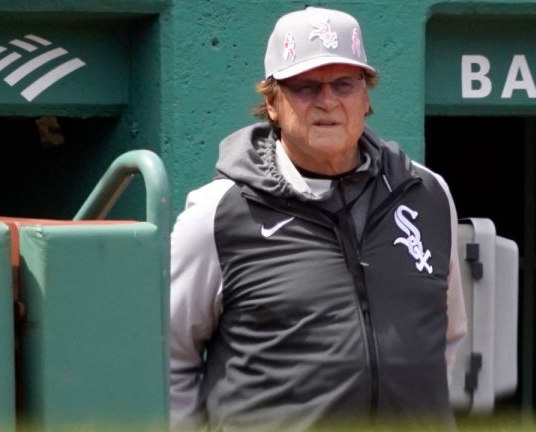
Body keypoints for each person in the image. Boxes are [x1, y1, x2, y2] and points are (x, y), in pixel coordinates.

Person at [169, 6, 467, 431]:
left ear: (366, 98)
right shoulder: (219, 213)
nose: (328, 101)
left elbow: (446, 335)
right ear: (272, 102)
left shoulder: (428, 193)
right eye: (305, 86)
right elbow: (169, 360)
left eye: (345, 83)